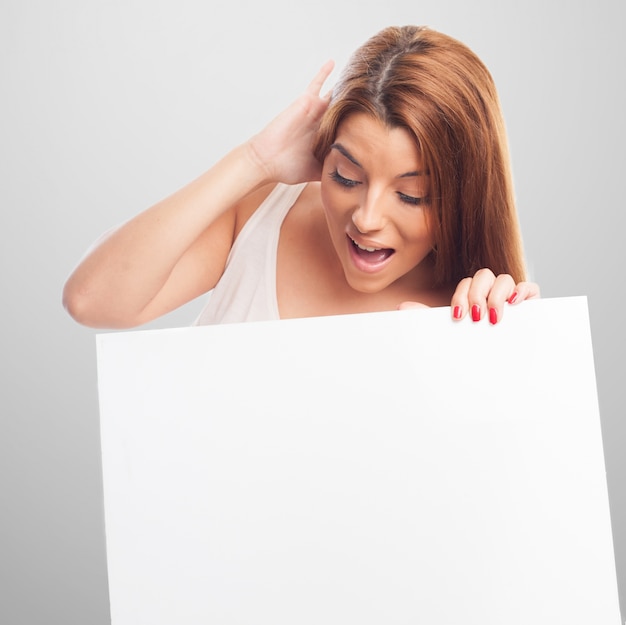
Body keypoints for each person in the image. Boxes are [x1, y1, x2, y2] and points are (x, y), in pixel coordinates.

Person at [62, 25, 539, 330]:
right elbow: (91, 300)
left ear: (466, 197)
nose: (367, 219)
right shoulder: (262, 216)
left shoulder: (469, 311)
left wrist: (499, 351)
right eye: (346, 177)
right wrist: (253, 161)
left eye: (412, 196)